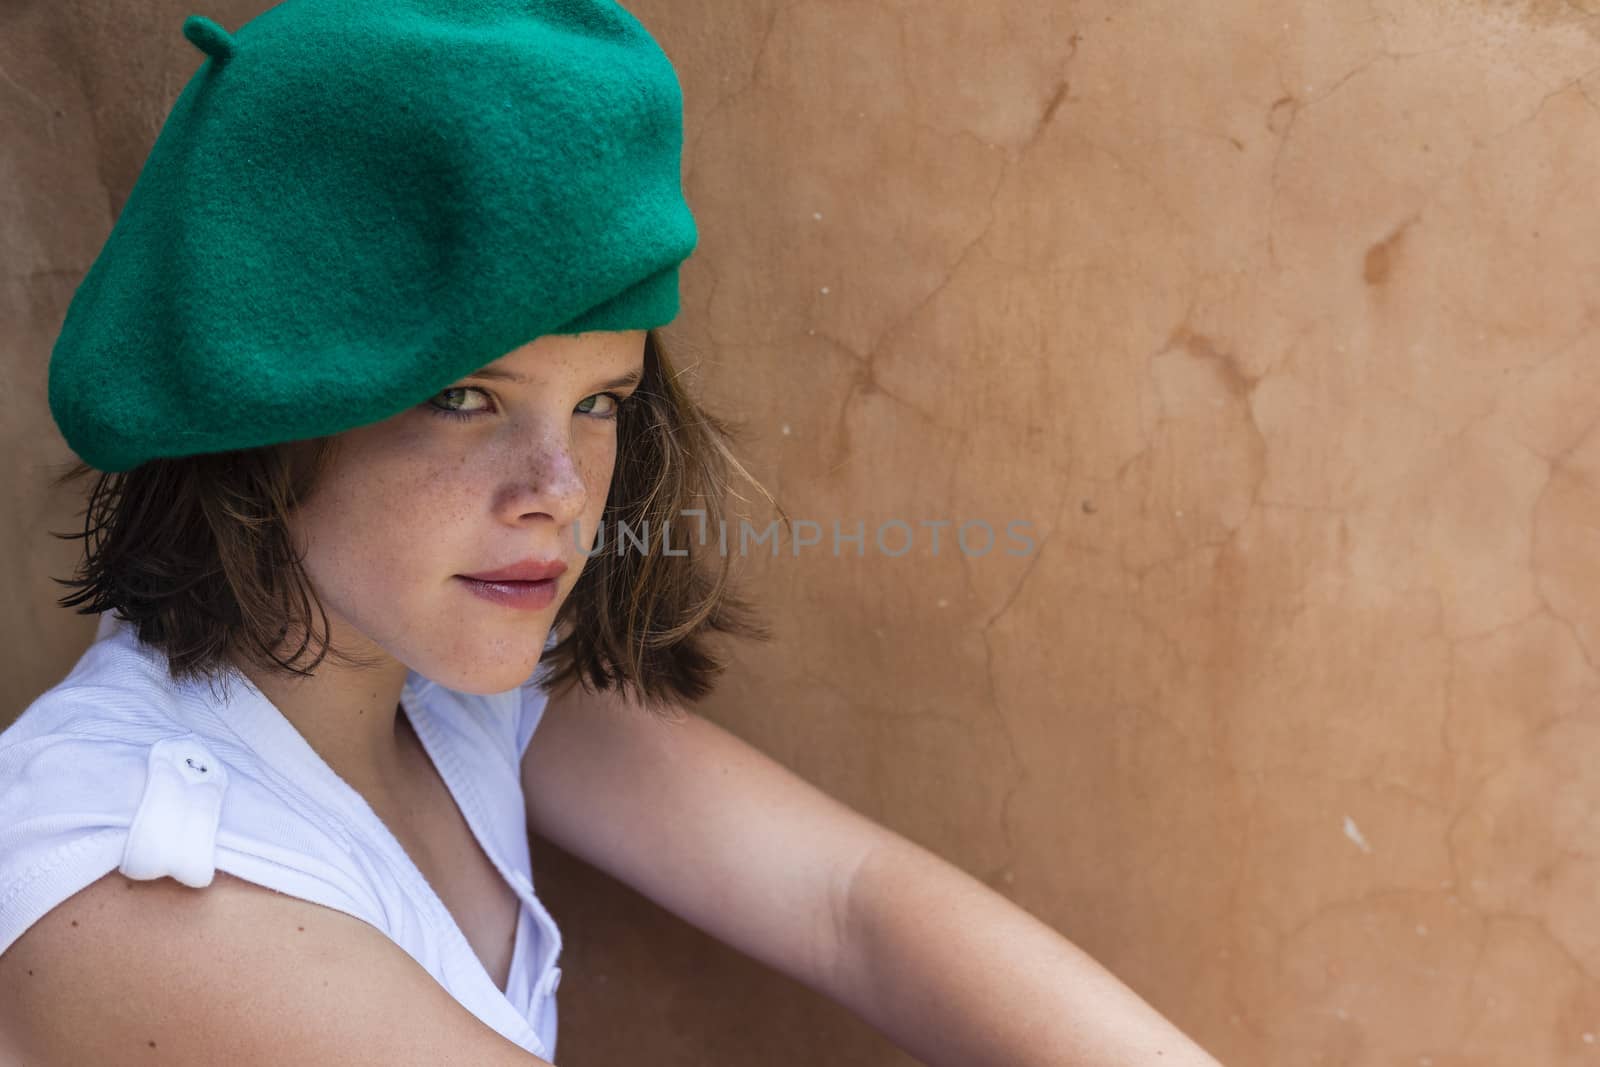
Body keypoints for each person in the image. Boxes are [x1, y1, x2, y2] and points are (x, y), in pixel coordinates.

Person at [0, 2, 1227, 1065]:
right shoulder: (143, 884)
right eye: (464, 396)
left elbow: (848, 902)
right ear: (262, 421)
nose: (560, 489)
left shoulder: (424, 674)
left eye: (599, 403)